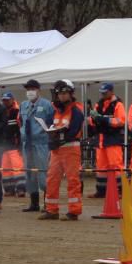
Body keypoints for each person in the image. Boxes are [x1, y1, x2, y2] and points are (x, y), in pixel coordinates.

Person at [40, 80, 85, 221]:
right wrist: (52, 139)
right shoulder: (54, 111)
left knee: (73, 180)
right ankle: (51, 210)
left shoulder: (76, 111)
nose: (62, 96)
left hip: (71, 148)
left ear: (71, 94)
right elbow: (48, 126)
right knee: (52, 180)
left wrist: (59, 138)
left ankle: (74, 211)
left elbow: (74, 130)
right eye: (60, 93)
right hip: (57, 150)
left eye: (65, 93)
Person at [19, 80, 53, 211]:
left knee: (43, 174)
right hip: (27, 144)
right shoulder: (23, 105)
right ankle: (34, 203)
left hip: (41, 144)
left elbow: (51, 123)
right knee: (29, 174)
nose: (30, 92)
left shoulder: (46, 105)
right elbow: (21, 122)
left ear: (39, 90)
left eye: (33, 89)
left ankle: (48, 203)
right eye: (28, 89)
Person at [88, 83, 126, 199]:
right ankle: (101, 190)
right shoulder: (98, 104)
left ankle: (120, 190)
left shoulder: (118, 104)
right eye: (102, 93)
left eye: (105, 93)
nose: (103, 95)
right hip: (100, 139)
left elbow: (121, 121)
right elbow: (91, 120)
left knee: (115, 165)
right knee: (101, 166)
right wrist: (93, 119)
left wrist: (104, 120)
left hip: (113, 138)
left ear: (111, 91)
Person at [0, 92, 27, 198]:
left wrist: (20, 144)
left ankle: (21, 189)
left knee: (17, 168)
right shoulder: (1, 112)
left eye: (7, 100)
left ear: (12, 100)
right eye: (4, 100)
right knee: (5, 169)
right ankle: (9, 190)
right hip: (3, 146)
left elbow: (22, 129)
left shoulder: (18, 112)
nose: (5, 102)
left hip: (15, 145)